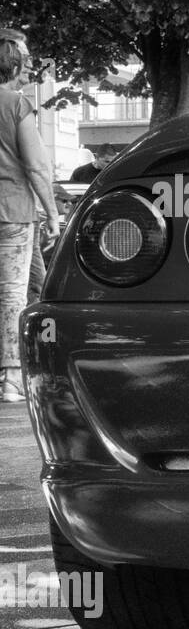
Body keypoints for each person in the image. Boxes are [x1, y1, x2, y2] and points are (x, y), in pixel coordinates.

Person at [0, 34, 61, 403]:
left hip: (13, 212)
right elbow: (37, 166)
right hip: (11, 211)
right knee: (11, 294)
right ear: (17, 66)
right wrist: (52, 212)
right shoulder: (16, 105)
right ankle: (10, 379)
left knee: (27, 285)